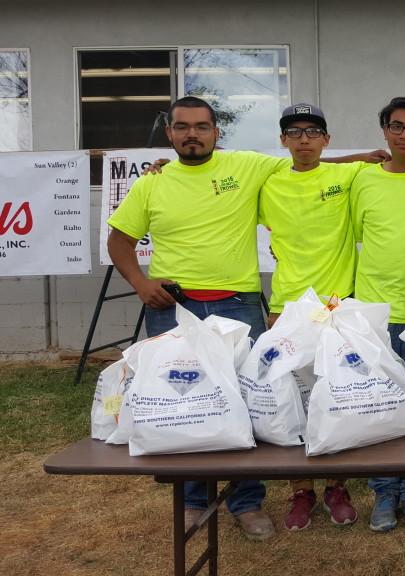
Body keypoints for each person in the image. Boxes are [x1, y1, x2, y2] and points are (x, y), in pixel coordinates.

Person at [107, 96, 290, 541]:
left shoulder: (247, 167)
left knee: (245, 402)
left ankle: (246, 503)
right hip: (173, 309)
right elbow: (119, 241)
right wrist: (140, 283)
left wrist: (399, 156)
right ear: (169, 133)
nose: (193, 134)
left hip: (237, 304)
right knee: (182, 404)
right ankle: (192, 501)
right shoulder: (152, 182)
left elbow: (315, 163)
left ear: (216, 133)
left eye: (202, 127)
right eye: (183, 127)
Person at [258, 103, 368, 531]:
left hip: (337, 306)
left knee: (336, 396)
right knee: (291, 402)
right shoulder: (266, 184)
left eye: (313, 131)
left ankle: (337, 487)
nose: (304, 139)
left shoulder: (348, 175)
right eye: (295, 131)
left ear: (327, 139)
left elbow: (391, 159)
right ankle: (301, 489)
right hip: (286, 307)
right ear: (283, 140)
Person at [350, 97, 405, 533]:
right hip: (372, 315)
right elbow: (307, 165)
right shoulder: (362, 180)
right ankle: (384, 490)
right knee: (379, 407)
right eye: (397, 126)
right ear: (384, 130)